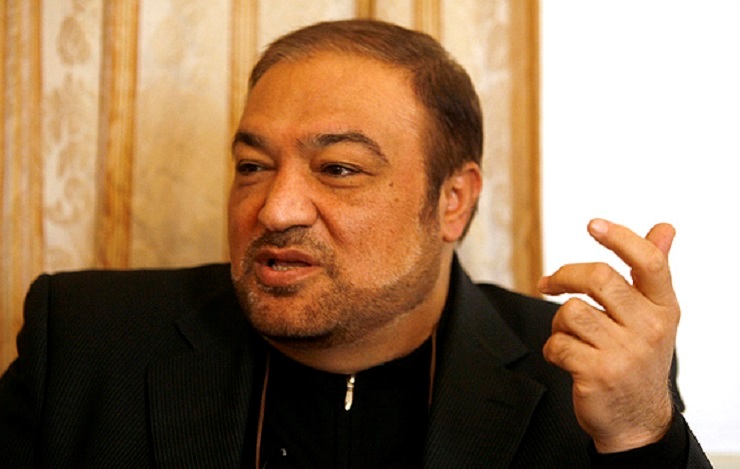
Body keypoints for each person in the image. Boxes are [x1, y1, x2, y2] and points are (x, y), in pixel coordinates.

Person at [0, 19, 710, 468]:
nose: (275, 208)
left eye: (338, 169)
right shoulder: (87, 340)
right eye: (252, 165)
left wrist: (638, 436)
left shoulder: (577, 378)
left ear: (453, 200)